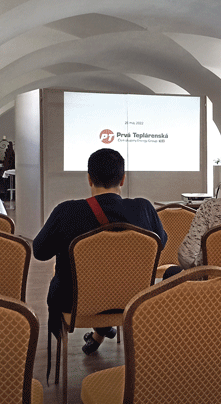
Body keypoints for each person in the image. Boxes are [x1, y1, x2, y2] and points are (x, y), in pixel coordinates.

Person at [33, 148, 167, 355]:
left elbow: (40, 252)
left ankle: (99, 333)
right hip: (132, 300)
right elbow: (161, 244)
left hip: (76, 303)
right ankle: (101, 332)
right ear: (123, 179)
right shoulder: (144, 209)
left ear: (89, 179)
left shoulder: (67, 212)